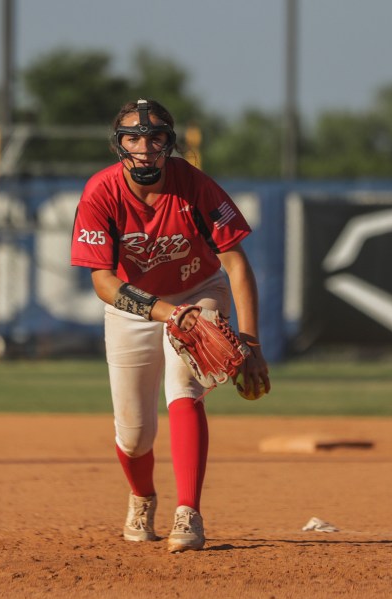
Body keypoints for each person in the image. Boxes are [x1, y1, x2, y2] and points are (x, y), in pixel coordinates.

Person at [70, 98, 271, 552]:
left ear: (170, 143)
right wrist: (164, 312)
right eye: (133, 138)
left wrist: (252, 343)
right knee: (134, 434)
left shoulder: (193, 185)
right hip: (134, 305)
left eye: (155, 137)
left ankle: (189, 513)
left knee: (185, 386)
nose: (144, 147)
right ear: (118, 144)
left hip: (198, 290)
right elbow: (102, 282)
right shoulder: (101, 192)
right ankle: (142, 497)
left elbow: (236, 264)